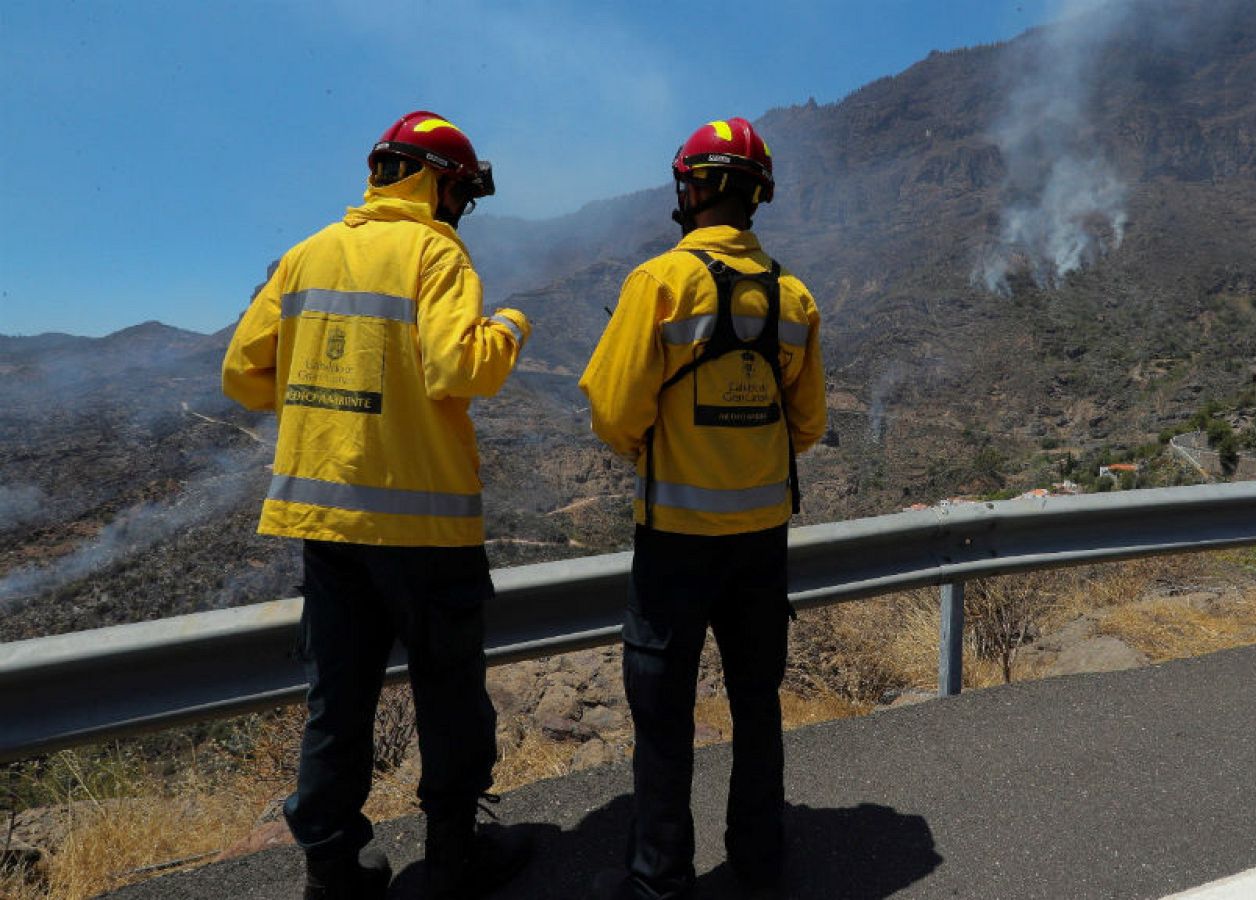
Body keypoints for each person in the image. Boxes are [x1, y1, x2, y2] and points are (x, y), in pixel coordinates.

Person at [222, 110, 533, 900]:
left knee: (339, 698)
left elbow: (241, 375)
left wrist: (322, 404)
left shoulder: (307, 254)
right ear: (438, 181)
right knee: (449, 694)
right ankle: (454, 858)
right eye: (461, 191)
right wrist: (510, 327)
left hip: (328, 527)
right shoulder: (435, 251)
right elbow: (462, 368)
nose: (461, 207)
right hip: (425, 529)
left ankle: (333, 868)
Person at [581, 117, 828, 899]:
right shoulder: (793, 296)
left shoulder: (659, 283)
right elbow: (810, 423)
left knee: (663, 716)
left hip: (675, 544)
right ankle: (759, 863)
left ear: (688, 189)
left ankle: (662, 880)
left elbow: (614, 408)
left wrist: (658, 451)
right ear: (759, 195)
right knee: (756, 705)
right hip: (761, 542)